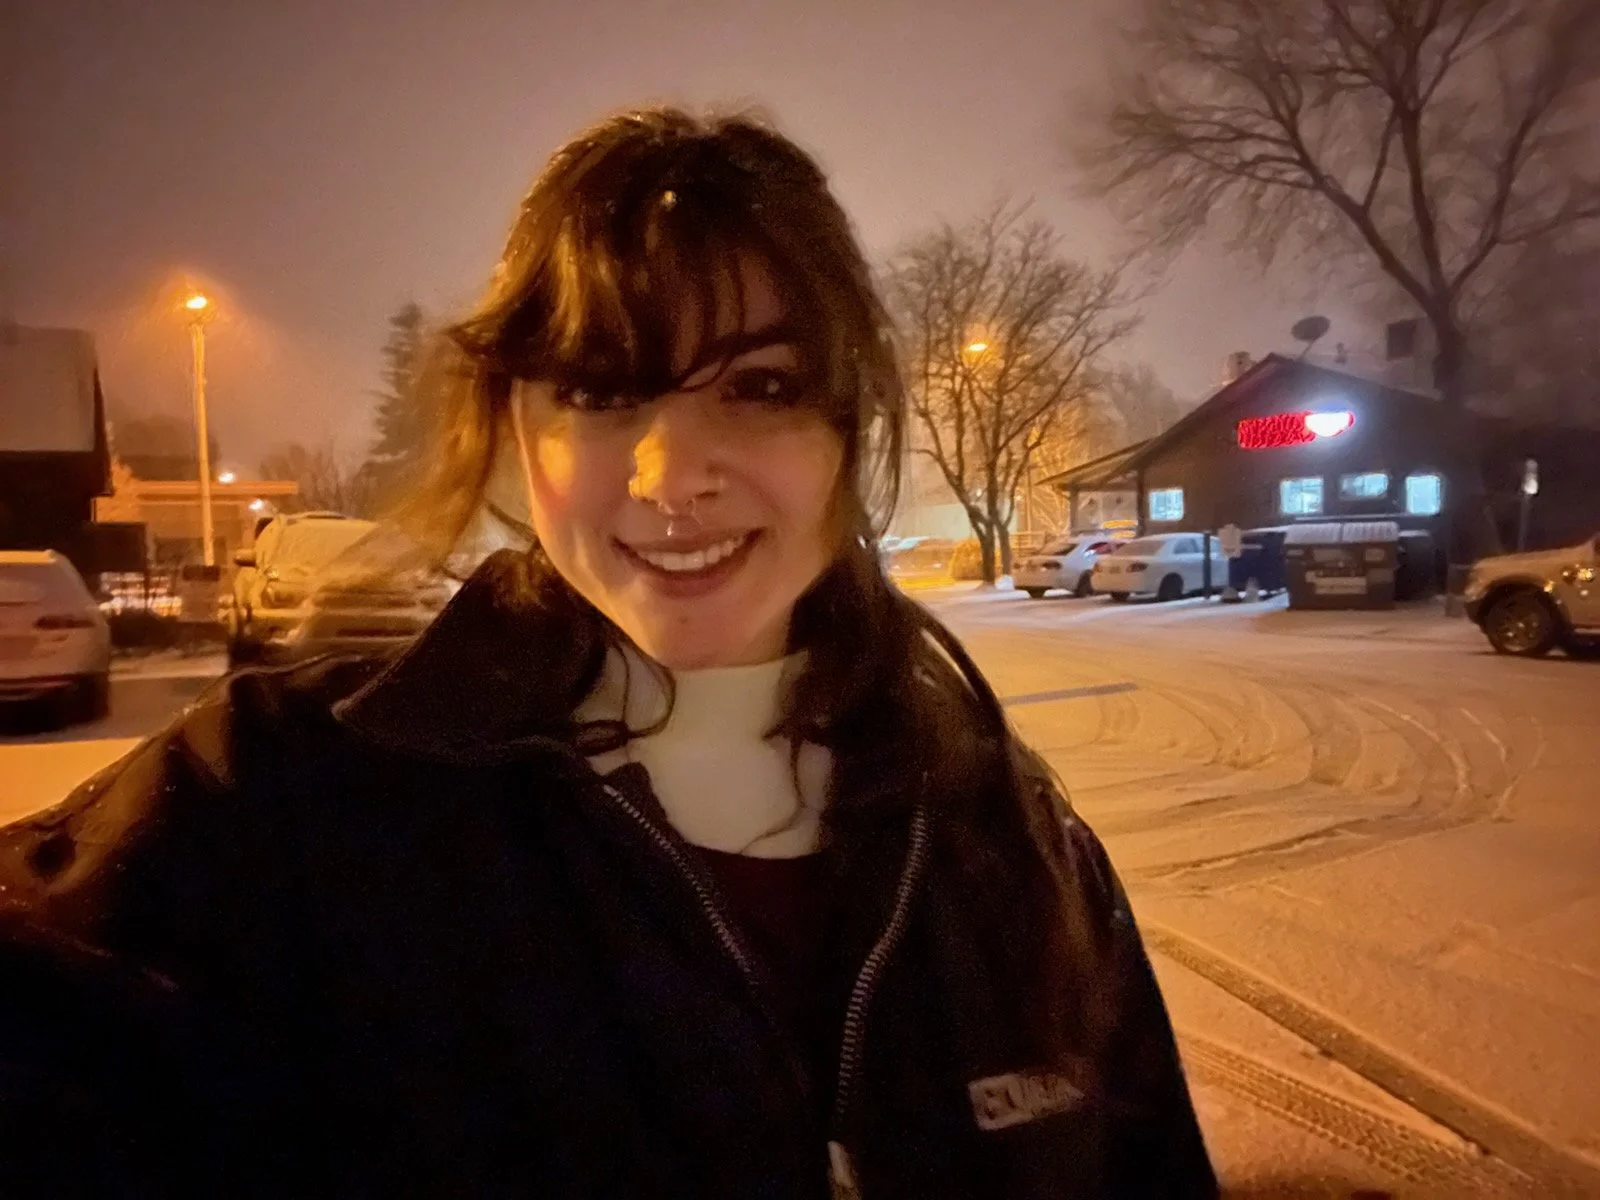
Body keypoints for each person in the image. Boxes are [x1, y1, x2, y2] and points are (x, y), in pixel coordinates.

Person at [0, 108, 1216, 1198]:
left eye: (761, 385)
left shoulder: (1003, 833)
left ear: (849, 431)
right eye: (598, 394)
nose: (671, 473)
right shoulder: (281, 809)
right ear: (513, 433)